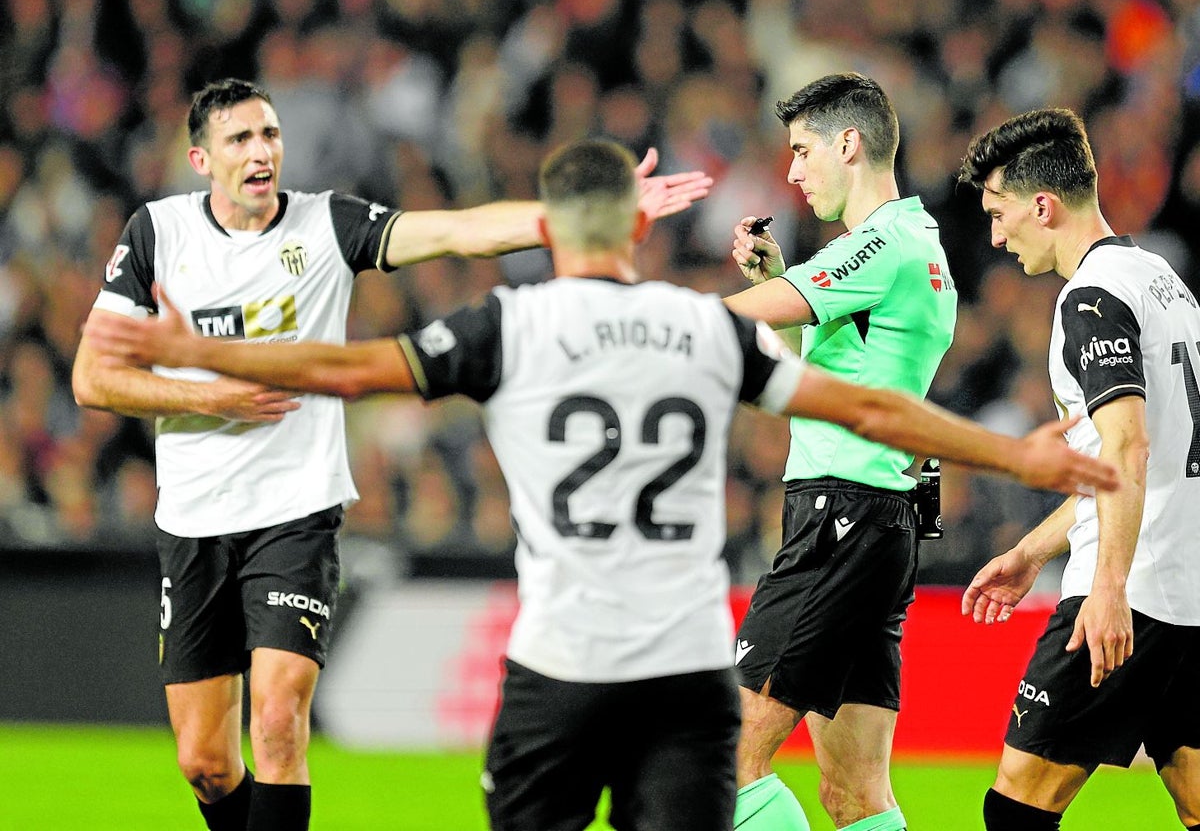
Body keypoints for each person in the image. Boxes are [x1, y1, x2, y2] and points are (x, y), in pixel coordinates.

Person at [85, 138, 1116, 831]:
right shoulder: (699, 325)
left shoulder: (509, 326)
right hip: (680, 673)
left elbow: (348, 369)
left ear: (551, 229)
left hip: (558, 667)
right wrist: (1017, 459)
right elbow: (869, 411)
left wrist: (202, 355)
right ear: (633, 228)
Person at [69, 78, 713, 831]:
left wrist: (587, 216)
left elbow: (456, 232)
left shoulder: (325, 225)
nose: (261, 151)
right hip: (193, 522)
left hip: (294, 515)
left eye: (269, 135)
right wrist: (211, 398)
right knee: (206, 764)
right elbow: (92, 378)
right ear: (200, 158)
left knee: (277, 723)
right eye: (240, 139)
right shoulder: (157, 233)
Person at [720, 72, 958, 831]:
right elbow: (813, 371)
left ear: (848, 143)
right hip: (878, 522)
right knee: (855, 791)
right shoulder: (916, 245)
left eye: (801, 151)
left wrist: (640, 325)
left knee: (724, 755)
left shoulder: (879, 244)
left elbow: (744, 320)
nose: (791, 172)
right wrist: (781, 280)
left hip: (839, 517)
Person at [958, 108, 1200, 830]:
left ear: (1043, 205)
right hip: (1188, 593)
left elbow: (1128, 447)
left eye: (999, 215)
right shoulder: (1164, 282)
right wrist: (1032, 549)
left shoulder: (1091, 298)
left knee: (1017, 809)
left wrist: (1108, 588)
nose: (996, 237)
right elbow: (1126, 457)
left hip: (1132, 594)